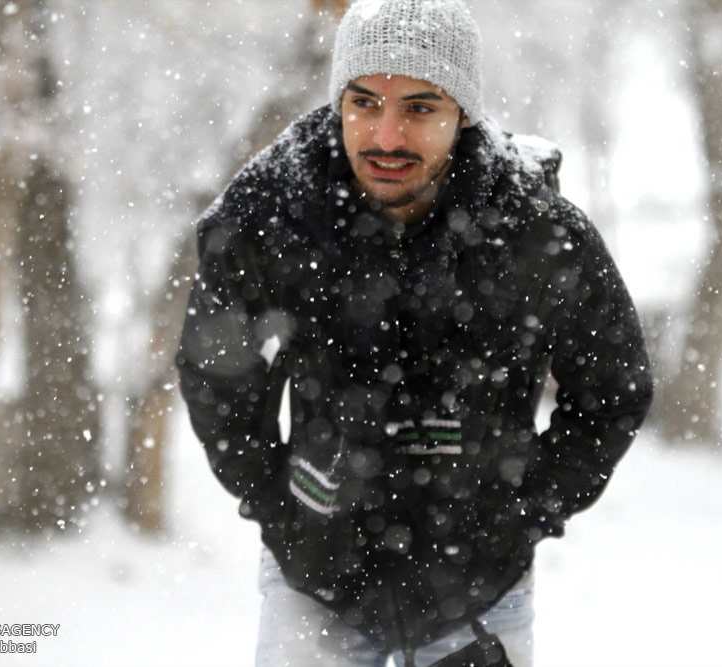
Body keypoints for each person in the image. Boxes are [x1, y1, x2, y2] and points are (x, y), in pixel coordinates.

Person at [177, 0, 653, 664]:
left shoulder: (534, 227)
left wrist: (522, 512)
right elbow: (215, 365)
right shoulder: (278, 207)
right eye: (364, 103)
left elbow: (612, 388)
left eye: (420, 108)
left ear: (463, 113)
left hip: (479, 587)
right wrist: (278, 504)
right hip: (316, 579)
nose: (387, 136)